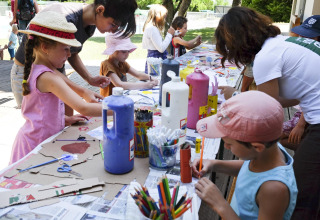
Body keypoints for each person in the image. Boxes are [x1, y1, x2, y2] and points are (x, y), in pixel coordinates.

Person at [215, 7, 320, 219]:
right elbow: (297, 94)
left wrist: (235, 97)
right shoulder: (282, 43)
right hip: (313, 115)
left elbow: (266, 112)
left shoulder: (265, 58)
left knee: (302, 195)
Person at [10, 12, 110, 165]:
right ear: (45, 47)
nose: (69, 54)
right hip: (35, 147)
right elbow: (83, 108)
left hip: (39, 139)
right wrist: (121, 109)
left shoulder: (46, 70)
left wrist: (62, 119)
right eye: (65, 49)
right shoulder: (47, 77)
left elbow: (39, 112)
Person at [11, 0, 137, 109]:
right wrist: (82, 91)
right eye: (113, 24)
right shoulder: (64, 20)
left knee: (63, 115)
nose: (114, 30)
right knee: (40, 121)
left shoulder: (90, 25)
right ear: (100, 10)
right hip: (28, 71)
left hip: (55, 70)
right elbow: (47, 67)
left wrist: (89, 79)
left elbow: (72, 52)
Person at [192, 91, 297, 220]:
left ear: (257, 146)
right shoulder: (269, 149)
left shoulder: (274, 189)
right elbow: (250, 169)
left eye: (229, 144)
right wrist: (214, 164)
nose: (226, 147)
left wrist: (220, 205)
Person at [142, 4, 175, 75]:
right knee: (156, 79)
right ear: (158, 16)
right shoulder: (152, 29)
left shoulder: (152, 28)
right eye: (164, 17)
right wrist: (169, 35)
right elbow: (161, 48)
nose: (164, 20)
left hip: (155, 57)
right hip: (155, 59)